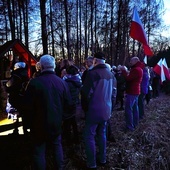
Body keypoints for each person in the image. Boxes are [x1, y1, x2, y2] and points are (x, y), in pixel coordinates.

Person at [22, 55, 72, 170]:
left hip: (38, 124)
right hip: (56, 123)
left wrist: (28, 123)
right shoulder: (62, 83)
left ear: (41, 66)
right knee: (56, 146)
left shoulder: (34, 83)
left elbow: (27, 106)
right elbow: (69, 104)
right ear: (53, 66)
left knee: (39, 150)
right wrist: (62, 118)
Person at [81, 52, 116, 169]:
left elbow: (85, 94)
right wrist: (111, 107)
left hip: (94, 110)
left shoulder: (92, 74)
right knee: (102, 133)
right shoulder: (111, 74)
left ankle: (91, 164)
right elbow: (114, 94)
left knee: (89, 135)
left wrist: (85, 109)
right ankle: (103, 159)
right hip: (106, 109)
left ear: (95, 61)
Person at [5, 61, 29, 135]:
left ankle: (16, 130)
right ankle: (25, 130)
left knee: (14, 114)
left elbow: (8, 86)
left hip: (14, 98)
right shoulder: (26, 76)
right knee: (24, 114)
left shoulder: (15, 76)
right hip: (24, 98)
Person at [120, 57, 143, 132]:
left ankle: (130, 127)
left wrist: (123, 71)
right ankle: (135, 124)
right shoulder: (138, 69)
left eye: (131, 60)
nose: (130, 62)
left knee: (128, 109)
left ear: (136, 61)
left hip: (132, 91)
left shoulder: (136, 70)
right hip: (135, 91)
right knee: (135, 108)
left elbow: (128, 78)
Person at [62, 65, 82, 146]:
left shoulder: (67, 82)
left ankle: (68, 141)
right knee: (73, 121)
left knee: (67, 123)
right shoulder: (77, 81)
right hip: (75, 103)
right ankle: (76, 138)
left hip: (67, 104)